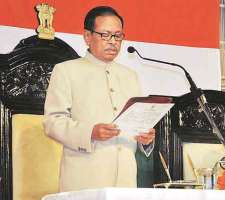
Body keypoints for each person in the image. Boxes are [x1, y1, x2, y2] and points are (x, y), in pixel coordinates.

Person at [43, 6, 155, 192]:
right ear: (87, 36)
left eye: (118, 36)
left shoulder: (130, 76)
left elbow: (137, 123)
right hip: (85, 179)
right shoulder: (66, 70)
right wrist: (90, 132)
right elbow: (52, 122)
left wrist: (146, 138)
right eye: (105, 35)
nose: (113, 42)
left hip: (126, 180)